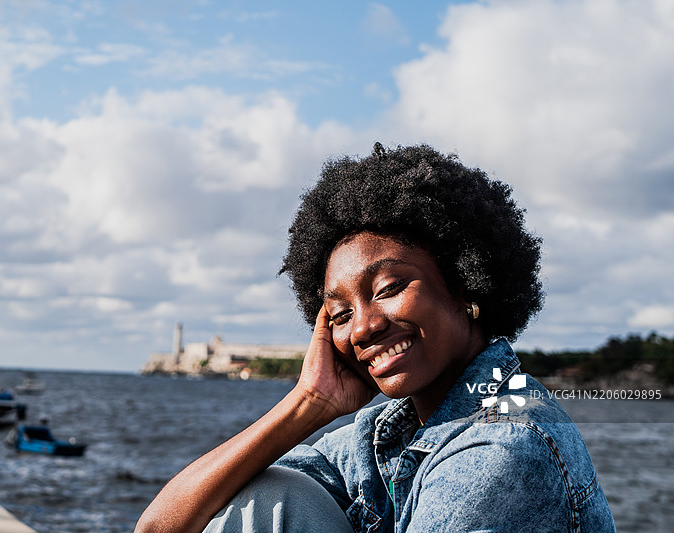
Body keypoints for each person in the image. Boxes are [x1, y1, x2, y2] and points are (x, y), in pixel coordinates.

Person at [135, 144, 616, 532]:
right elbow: (160, 528)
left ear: (466, 283)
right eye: (340, 313)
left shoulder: (503, 449)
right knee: (269, 498)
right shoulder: (386, 433)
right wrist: (310, 402)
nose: (364, 327)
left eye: (388, 288)